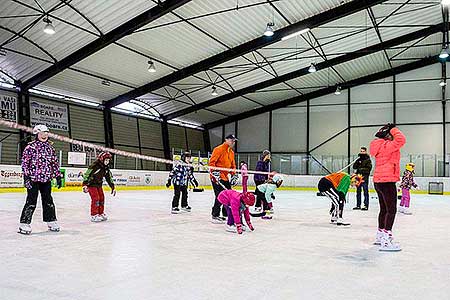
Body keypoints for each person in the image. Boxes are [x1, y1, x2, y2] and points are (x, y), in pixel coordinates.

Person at [18, 124, 62, 234]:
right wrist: (27, 177)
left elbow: (54, 163)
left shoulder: (50, 148)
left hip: (46, 179)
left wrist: (57, 176)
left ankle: (51, 220)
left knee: (48, 201)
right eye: (42, 133)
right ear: (36, 134)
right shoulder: (30, 147)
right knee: (31, 201)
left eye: (46, 133)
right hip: (33, 178)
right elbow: (25, 163)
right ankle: (24, 223)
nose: (44, 135)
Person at [370, 123, 406, 252]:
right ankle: (386, 238)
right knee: (391, 210)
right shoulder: (388, 146)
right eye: (390, 135)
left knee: (384, 209)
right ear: (387, 136)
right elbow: (401, 140)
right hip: (387, 181)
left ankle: (380, 236)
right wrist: (394, 129)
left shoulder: (378, 146)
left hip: (378, 181)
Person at [209, 134, 238, 224]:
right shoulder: (218, 149)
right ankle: (215, 214)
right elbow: (212, 162)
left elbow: (232, 165)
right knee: (219, 195)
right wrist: (214, 173)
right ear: (226, 140)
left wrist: (234, 174)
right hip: (216, 177)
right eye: (231, 140)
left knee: (229, 195)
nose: (233, 142)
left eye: (234, 141)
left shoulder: (231, 152)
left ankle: (226, 213)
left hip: (225, 177)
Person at [82, 151, 116, 222]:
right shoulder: (94, 165)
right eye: (106, 160)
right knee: (96, 198)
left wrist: (112, 187)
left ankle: (100, 213)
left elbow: (109, 178)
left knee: (102, 198)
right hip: (91, 185)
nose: (107, 162)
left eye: (108, 160)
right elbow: (87, 174)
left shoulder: (106, 168)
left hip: (98, 185)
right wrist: (84, 185)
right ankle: (94, 215)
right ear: (101, 159)